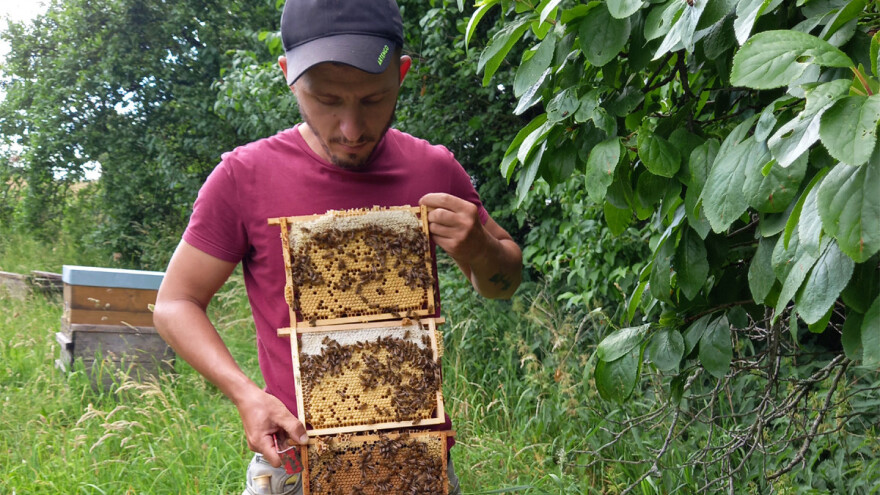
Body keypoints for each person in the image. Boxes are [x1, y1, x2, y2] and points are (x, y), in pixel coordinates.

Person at [153, 0, 523, 493]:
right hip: (295, 466)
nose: (351, 129)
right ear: (288, 76)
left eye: (373, 100)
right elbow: (175, 303)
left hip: (418, 462)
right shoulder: (243, 177)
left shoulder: (433, 169)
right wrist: (245, 395)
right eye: (326, 100)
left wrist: (478, 247)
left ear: (402, 73)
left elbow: (503, 283)